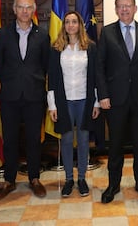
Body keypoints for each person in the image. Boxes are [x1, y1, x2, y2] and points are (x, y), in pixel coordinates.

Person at [96, 0, 138, 203]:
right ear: (116, 10)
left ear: (135, 8)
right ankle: (113, 184)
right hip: (115, 100)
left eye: (128, 5)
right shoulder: (106, 33)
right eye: (121, 6)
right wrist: (103, 95)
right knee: (115, 145)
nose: (125, 9)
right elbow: (100, 68)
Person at [0, 0, 50, 201]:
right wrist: (12, 81)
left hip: (34, 96)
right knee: (10, 139)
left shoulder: (42, 35)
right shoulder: (2, 34)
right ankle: (9, 180)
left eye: (28, 7)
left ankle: (34, 178)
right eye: (21, 7)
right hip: (10, 95)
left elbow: (45, 66)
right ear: (14, 9)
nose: (25, 11)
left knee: (34, 139)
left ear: (33, 10)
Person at [47, 11, 100, 197]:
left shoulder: (90, 47)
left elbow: (95, 77)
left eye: (74, 22)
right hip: (64, 101)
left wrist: (96, 103)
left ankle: (82, 178)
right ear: (64, 26)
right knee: (67, 140)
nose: (71, 25)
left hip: (85, 100)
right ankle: (69, 179)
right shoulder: (56, 48)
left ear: (80, 25)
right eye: (68, 22)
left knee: (84, 141)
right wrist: (52, 105)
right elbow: (52, 79)